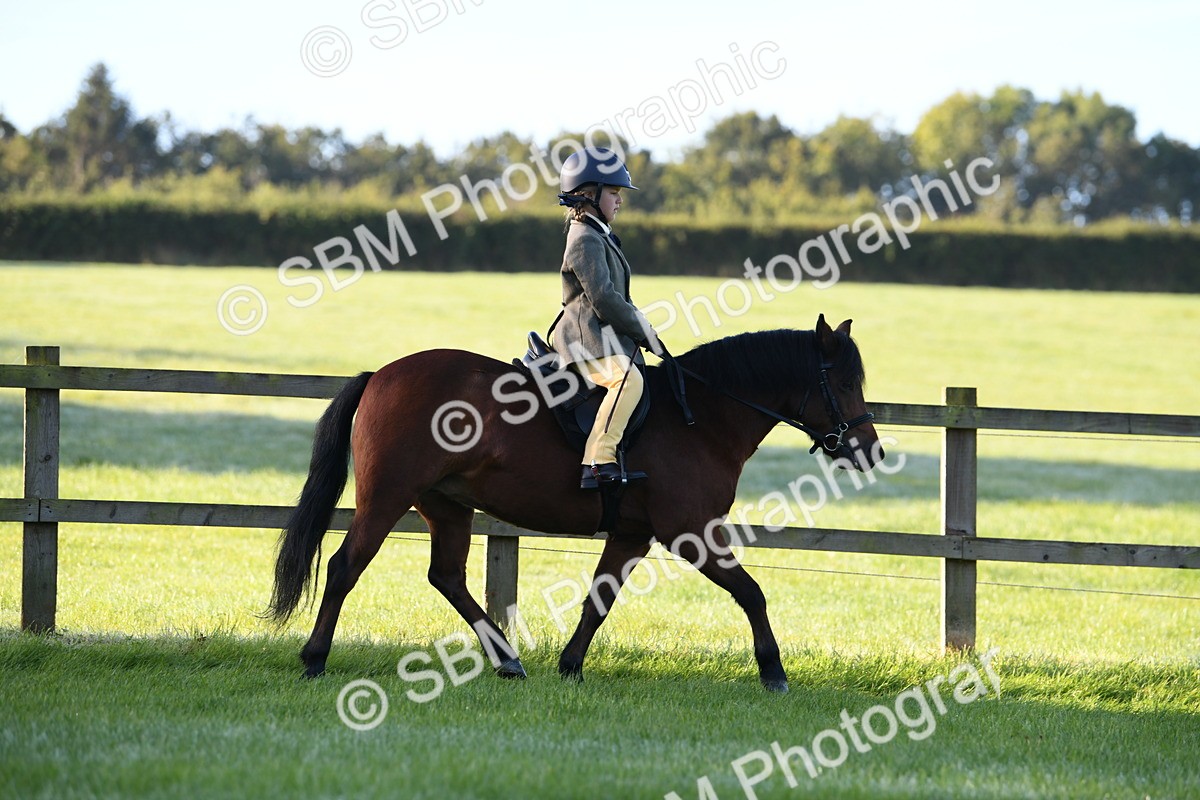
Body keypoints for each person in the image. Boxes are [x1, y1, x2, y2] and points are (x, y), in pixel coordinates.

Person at [551, 146, 663, 490]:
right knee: (628, 380)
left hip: (603, 338)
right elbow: (604, 299)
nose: (620, 200)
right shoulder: (584, 238)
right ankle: (598, 460)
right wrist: (644, 331)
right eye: (614, 193)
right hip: (583, 341)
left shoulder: (597, 233)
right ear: (589, 194)